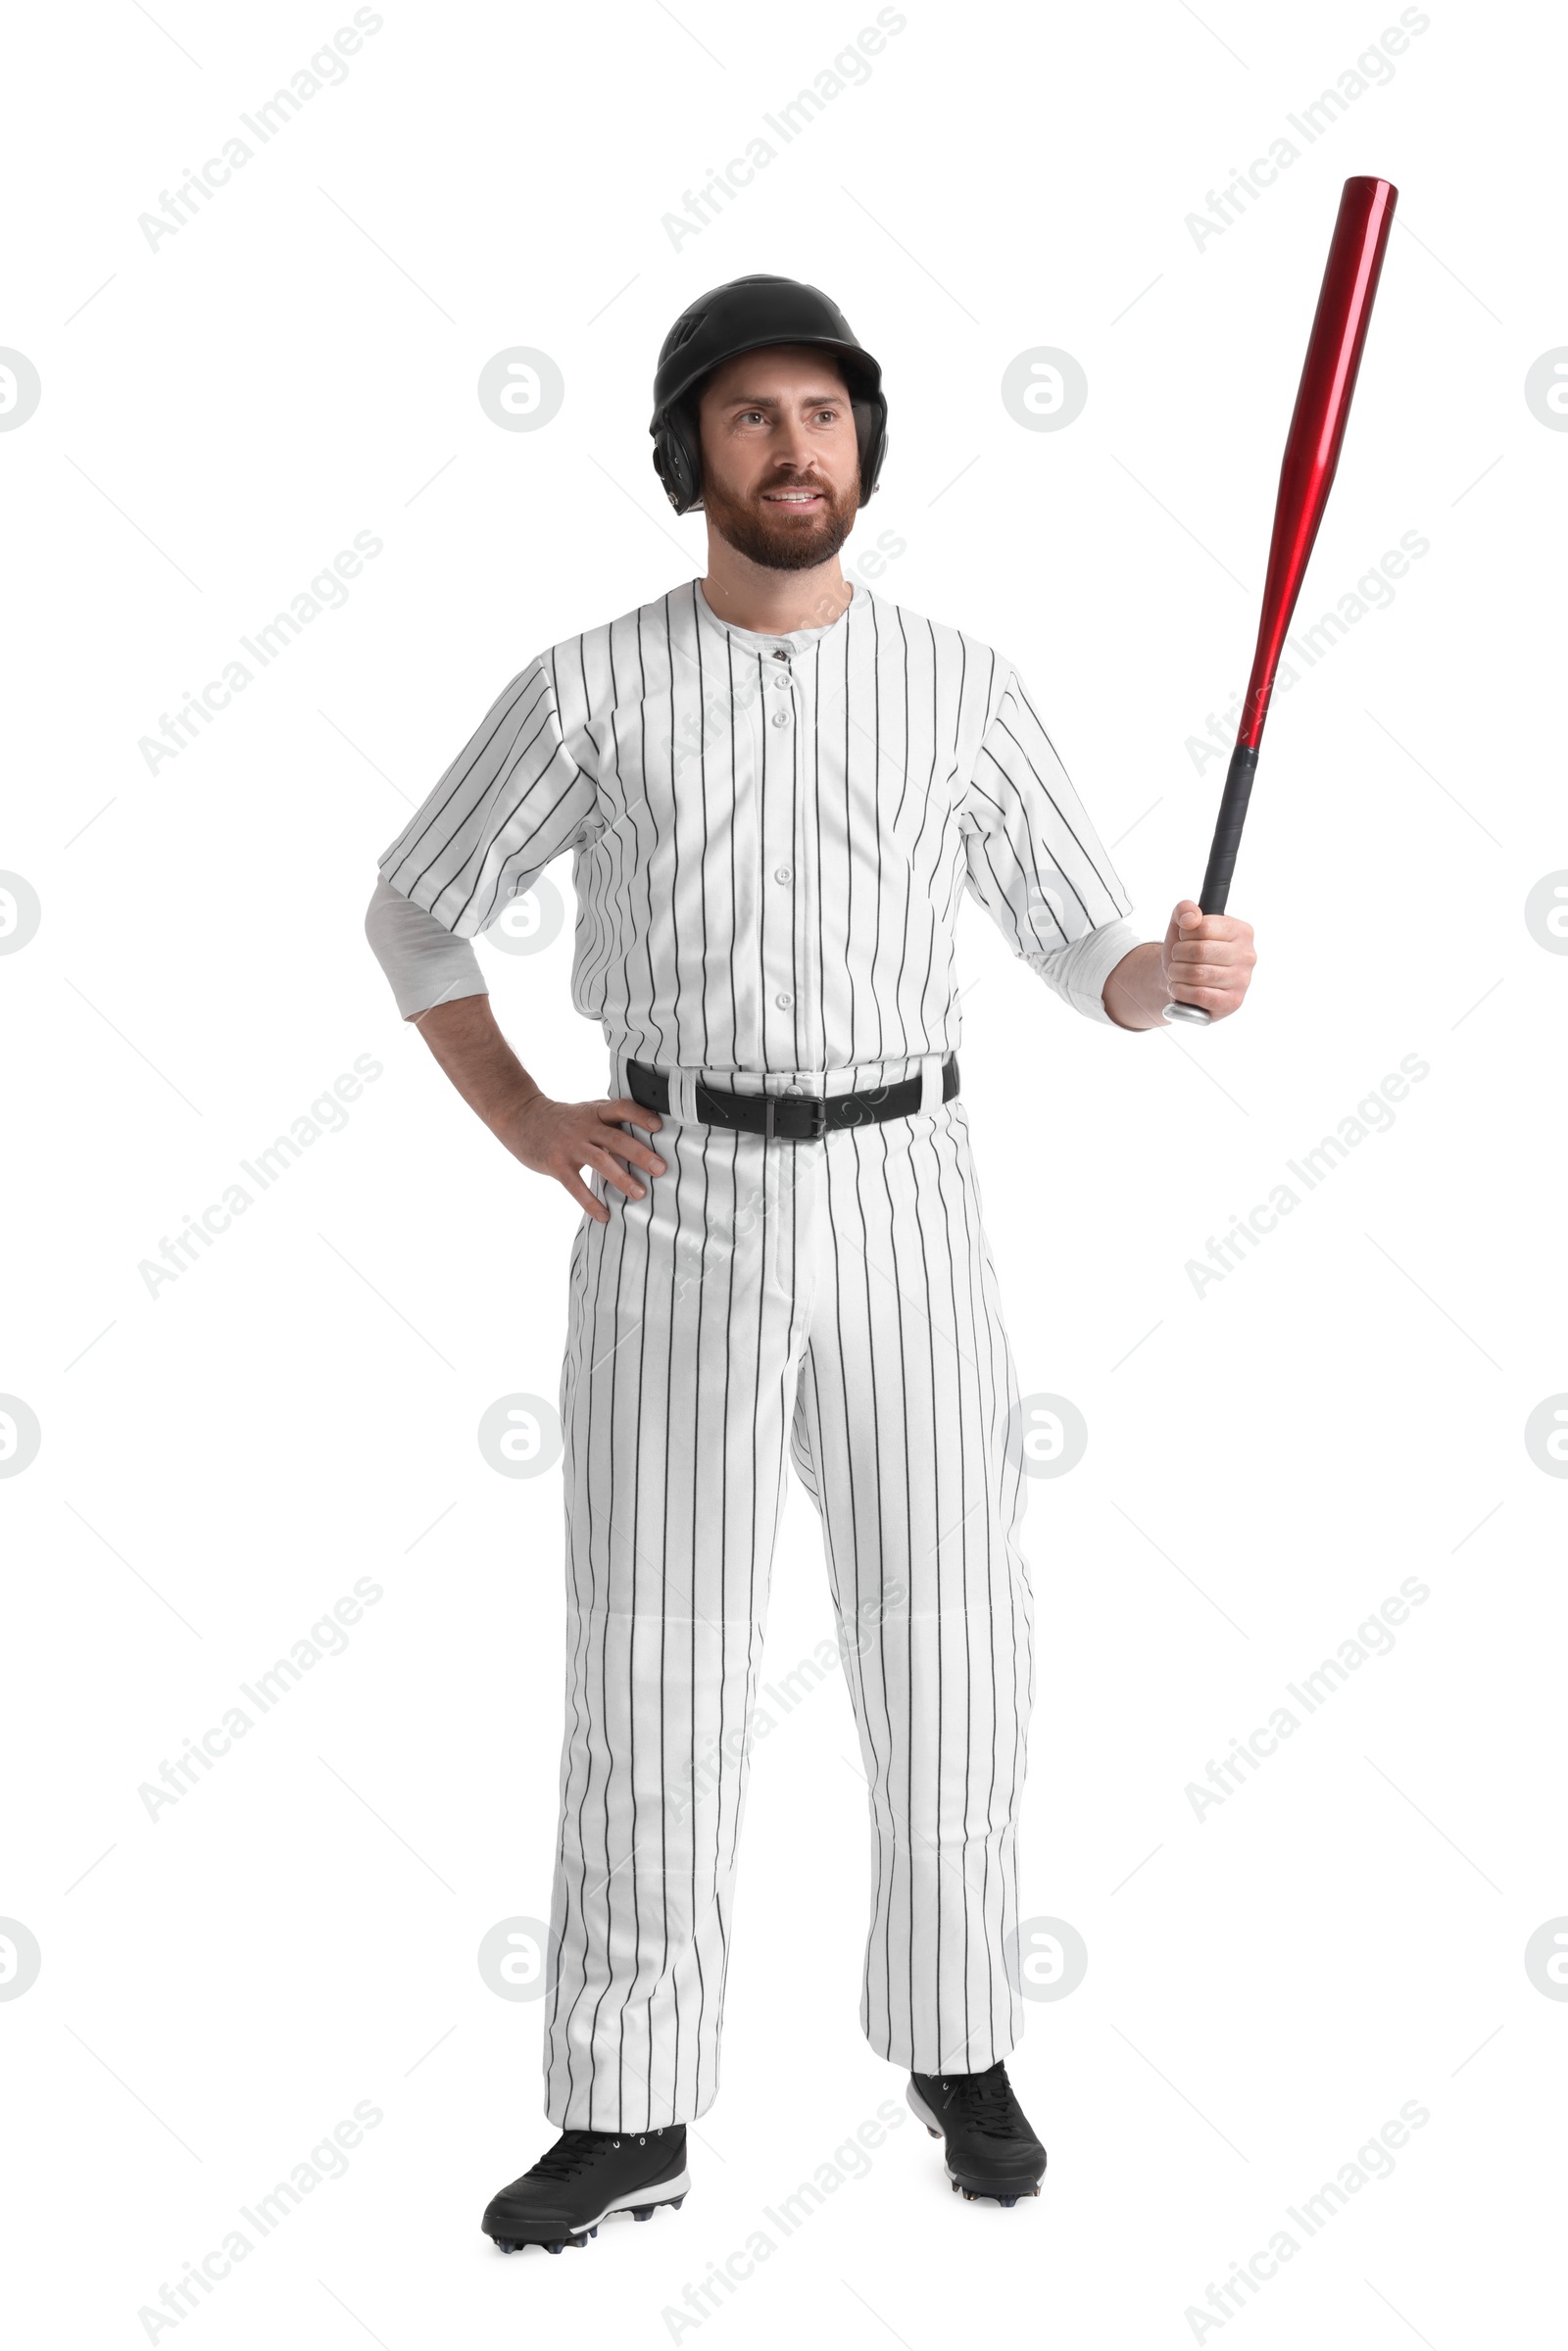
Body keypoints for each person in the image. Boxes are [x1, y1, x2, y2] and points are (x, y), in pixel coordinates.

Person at [364, 273, 1256, 2255]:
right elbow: (415, 916)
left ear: (864, 445)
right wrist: (524, 1120)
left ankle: (957, 2044)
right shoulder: (588, 684)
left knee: (947, 1642)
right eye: (751, 417)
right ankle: (624, 2108)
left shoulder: (960, 683)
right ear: (688, 454)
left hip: (907, 1196)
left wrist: (1170, 979)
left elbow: (1077, 951)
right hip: (669, 1196)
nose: (794, 448)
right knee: (652, 1666)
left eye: (824, 414)